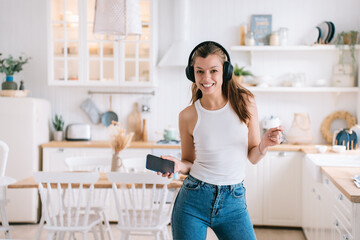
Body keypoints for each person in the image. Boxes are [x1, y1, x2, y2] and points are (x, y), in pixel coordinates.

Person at [159, 41, 283, 240]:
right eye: (199, 71)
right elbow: (189, 162)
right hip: (193, 200)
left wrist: (264, 145)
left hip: (233, 202)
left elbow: (253, 156)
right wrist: (177, 165)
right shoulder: (187, 115)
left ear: (225, 71)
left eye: (213, 70)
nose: (206, 78)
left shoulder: (245, 102)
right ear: (192, 74)